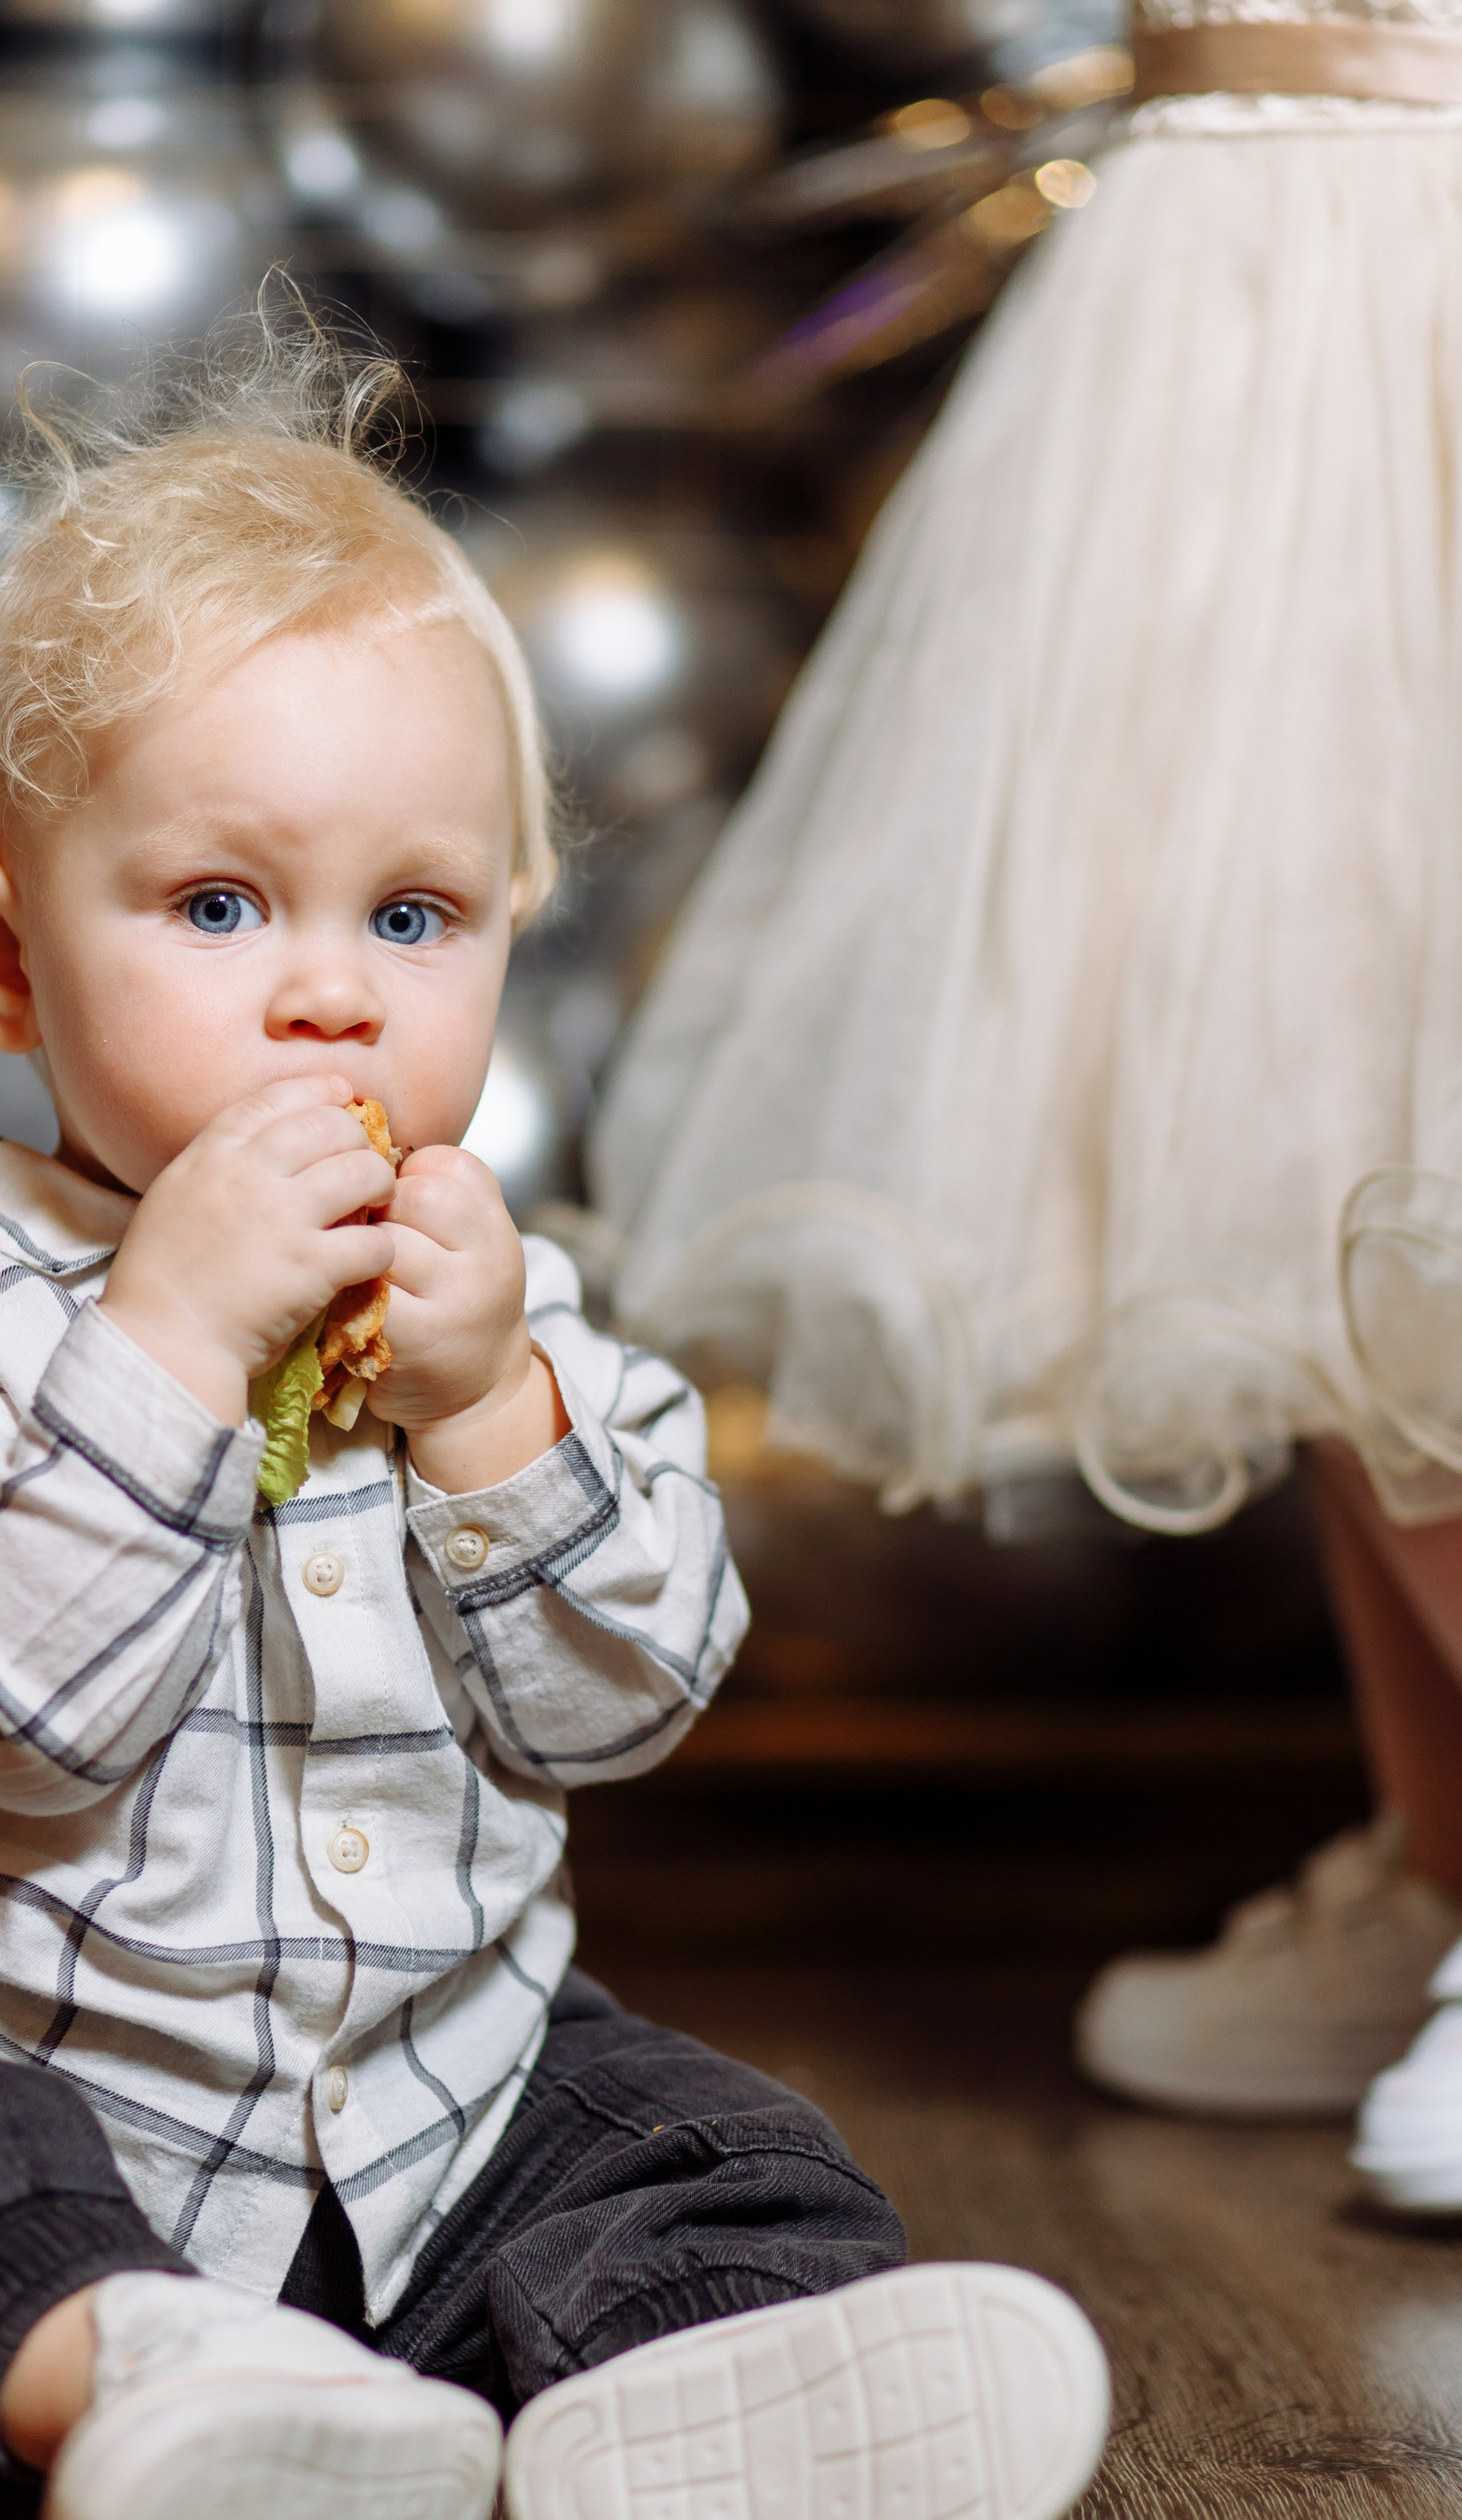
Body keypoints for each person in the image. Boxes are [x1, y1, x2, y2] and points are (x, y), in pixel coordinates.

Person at [0, 319, 1109, 2520]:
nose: (331, 999)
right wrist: (177, 1344)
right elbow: (16, 1722)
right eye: (220, 906)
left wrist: (498, 1406)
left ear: (509, 931)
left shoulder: (500, 1310)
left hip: (439, 2110)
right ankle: (154, 2384)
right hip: (22, 2092)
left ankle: (664, 2402)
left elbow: (628, 1703)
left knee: (711, 2134)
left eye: (412, 919)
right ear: (1, 947)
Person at [589, 1, 1462, 2136]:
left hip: (1417, 232)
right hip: (1216, 260)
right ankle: (1440, 1856)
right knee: (1286, 1088)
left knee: (1414, 1095)